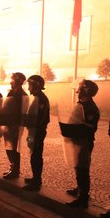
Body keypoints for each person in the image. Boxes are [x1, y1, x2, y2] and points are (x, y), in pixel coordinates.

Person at [63, 79, 100, 208]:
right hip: (77, 140)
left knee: (83, 168)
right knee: (78, 166)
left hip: (84, 142)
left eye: (80, 88)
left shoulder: (90, 108)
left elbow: (89, 127)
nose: (77, 91)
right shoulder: (83, 105)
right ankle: (80, 188)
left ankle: (83, 197)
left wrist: (74, 130)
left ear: (85, 91)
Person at [0, 72, 28, 179]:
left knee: (14, 148)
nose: (11, 82)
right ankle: (12, 166)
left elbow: (22, 112)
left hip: (15, 124)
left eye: (13, 80)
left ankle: (15, 170)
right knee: (9, 146)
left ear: (18, 82)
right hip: (8, 123)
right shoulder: (11, 93)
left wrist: (17, 125)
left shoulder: (22, 95)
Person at [22, 75, 50, 191]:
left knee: (36, 156)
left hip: (37, 132)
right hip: (33, 132)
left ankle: (37, 181)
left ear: (36, 86)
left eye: (30, 85)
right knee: (33, 153)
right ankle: (35, 177)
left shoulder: (41, 99)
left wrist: (33, 127)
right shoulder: (37, 98)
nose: (29, 88)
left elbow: (42, 118)